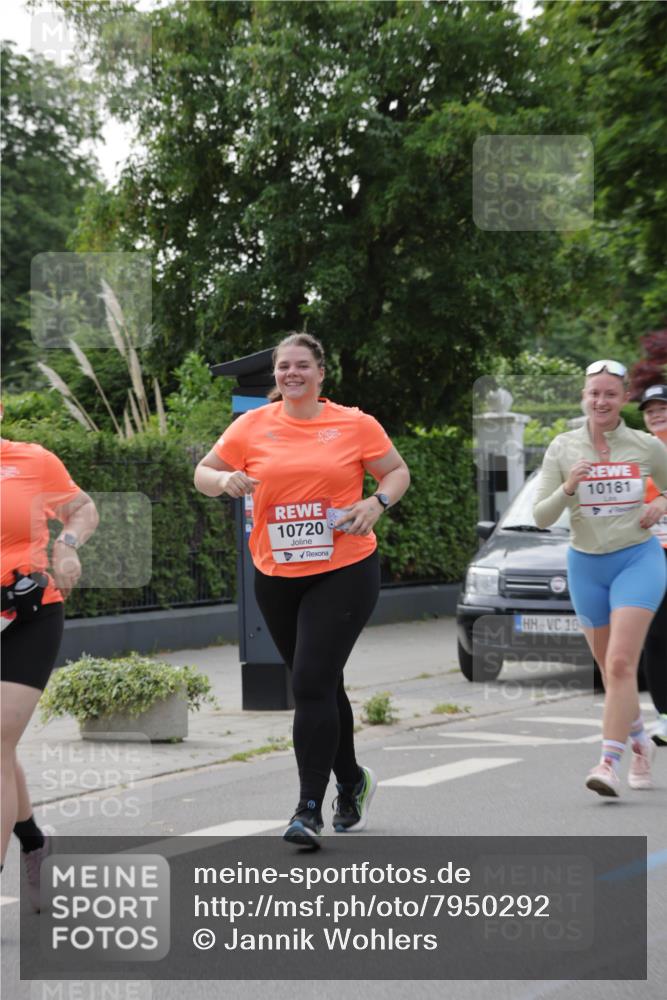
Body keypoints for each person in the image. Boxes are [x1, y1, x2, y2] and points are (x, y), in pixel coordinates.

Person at [195, 333, 410, 846]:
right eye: (283, 366)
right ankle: (352, 781)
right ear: (276, 374)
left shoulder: (354, 423)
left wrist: (376, 502)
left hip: (344, 568)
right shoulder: (252, 425)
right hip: (276, 574)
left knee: (311, 682)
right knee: (322, 684)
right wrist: (223, 482)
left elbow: (396, 471)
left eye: (302, 365)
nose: (291, 373)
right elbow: (204, 471)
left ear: (320, 372)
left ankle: (307, 810)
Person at [533, 360, 667, 798]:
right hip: (586, 566)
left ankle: (608, 762)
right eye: (594, 393)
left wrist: (661, 502)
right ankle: (640, 743)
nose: (601, 401)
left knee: (621, 663)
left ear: (624, 398)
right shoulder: (562, 447)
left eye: (610, 394)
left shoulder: (645, 446)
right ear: (583, 397)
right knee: (611, 671)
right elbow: (541, 516)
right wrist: (569, 486)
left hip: (638, 561)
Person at [1, 429, 98, 907]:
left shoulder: (32, 461)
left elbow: (83, 508)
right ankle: (35, 842)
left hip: (28, 614)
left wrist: (68, 544)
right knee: (1, 749)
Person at [638, 384, 667, 746]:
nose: (656, 414)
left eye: (662, 408)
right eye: (650, 410)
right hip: (649, 554)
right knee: (656, 636)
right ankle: (664, 715)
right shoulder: (639, 454)